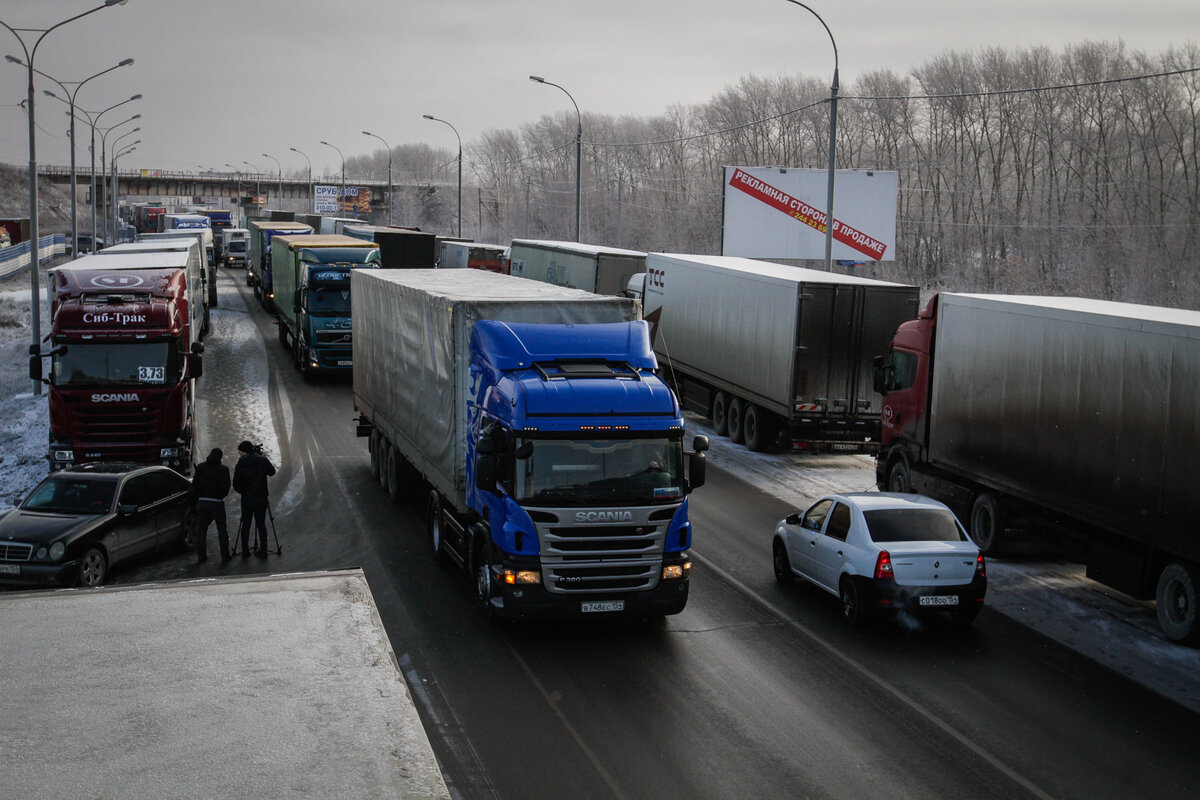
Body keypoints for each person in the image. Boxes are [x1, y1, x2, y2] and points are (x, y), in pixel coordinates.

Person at [232, 440, 276, 558]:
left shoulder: (240, 463)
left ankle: (245, 551)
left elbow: (236, 484)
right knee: (261, 524)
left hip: (247, 498)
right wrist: (265, 458)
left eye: (240, 452)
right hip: (261, 497)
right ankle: (263, 549)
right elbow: (272, 472)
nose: (239, 454)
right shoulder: (262, 460)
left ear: (244, 451)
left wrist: (244, 491)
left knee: (246, 524)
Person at [192, 448, 232, 563]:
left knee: (201, 531)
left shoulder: (200, 467)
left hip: (202, 502)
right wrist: (219, 496)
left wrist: (199, 496)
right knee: (222, 530)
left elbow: (195, 485)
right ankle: (225, 556)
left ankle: (201, 557)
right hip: (217, 503)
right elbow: (226, 487)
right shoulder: (223, 469)